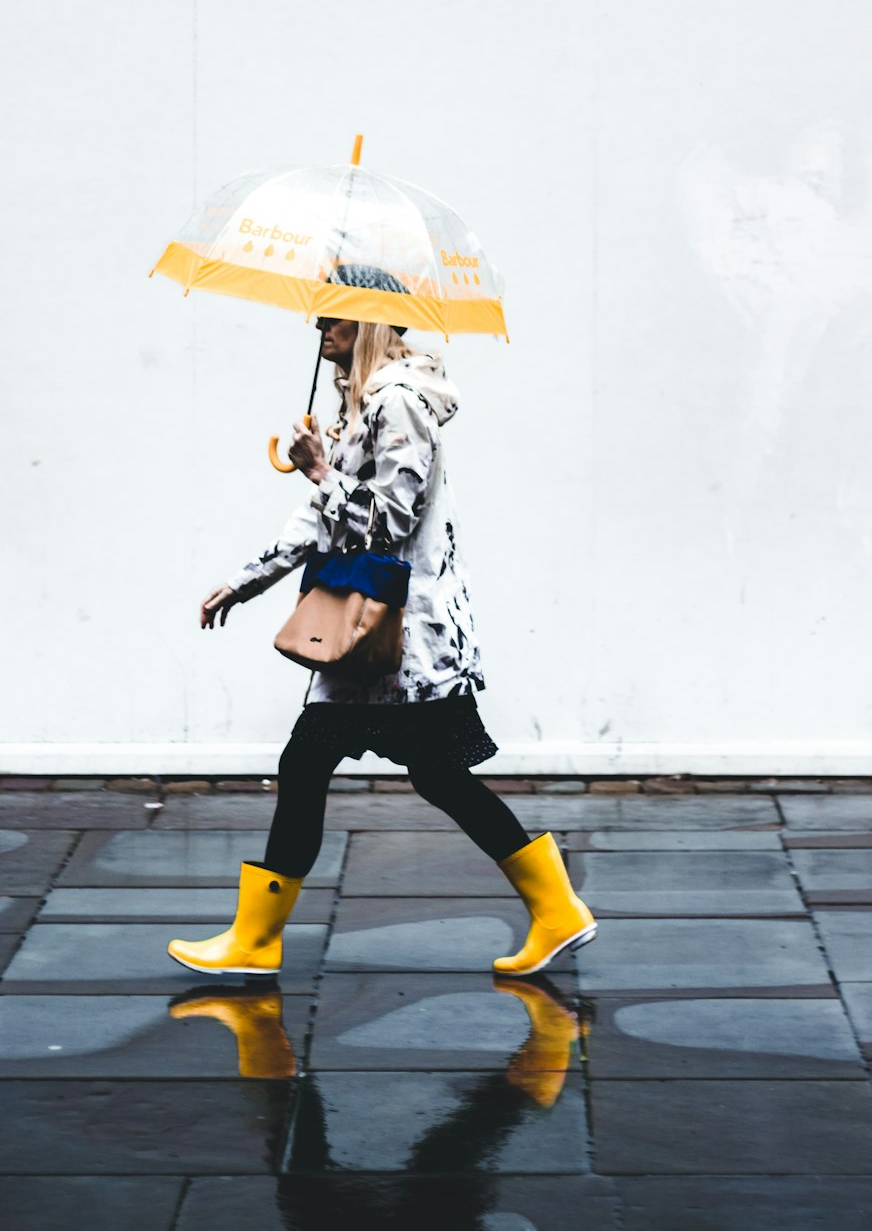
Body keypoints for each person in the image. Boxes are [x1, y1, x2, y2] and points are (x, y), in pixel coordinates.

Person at [167, 293, 596, 978]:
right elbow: (321, 520)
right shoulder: (368, 405)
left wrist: (320, 467)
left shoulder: (398, 404)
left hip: (400, 642)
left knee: (340, 766)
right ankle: (556, 910)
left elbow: (387, 521)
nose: (318, 325)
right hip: (374, 642)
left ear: (366, 321)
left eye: (332, 315)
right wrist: (245, 582)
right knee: (409, 773)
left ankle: (256, 941)